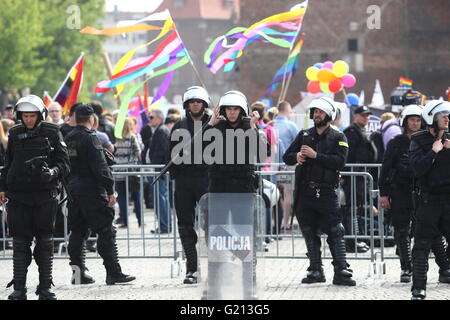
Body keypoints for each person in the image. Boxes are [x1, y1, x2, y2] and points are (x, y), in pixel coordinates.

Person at [0, 95, 70, 300]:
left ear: (40, 115)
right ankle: (19, 288)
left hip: (44, 195)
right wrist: (2, 188)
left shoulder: (53, 132)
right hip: (19, 196)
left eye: (32, 116)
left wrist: (53, 173)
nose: (28, 120)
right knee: (20, 244)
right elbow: (8, 163)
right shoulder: (14, 133)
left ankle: (45, 287)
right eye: (25, 116)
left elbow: (65, 163)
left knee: (45, 243)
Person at [283, 97, 355, 286]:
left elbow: (340, 162)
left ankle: (341, 269)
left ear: (329, 115)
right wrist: (296, 156)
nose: (316, 114)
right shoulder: (304, 135)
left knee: (334, 230)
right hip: (305, 192)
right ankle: (315, 270)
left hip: (327, 192)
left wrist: (317, 156)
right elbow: (286, 157)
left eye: (321, 112)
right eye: (315, 111)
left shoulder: (338, 137)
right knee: (308, 230)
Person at [64, 103, 135, 286]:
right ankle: (113, 273)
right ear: (91, 119)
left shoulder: (68, 137)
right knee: (106, 230)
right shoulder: (91, 138)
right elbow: (101, 168)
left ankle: (78, 274)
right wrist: (110, 190)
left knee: (78, 232)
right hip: (91, 191)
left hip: (74, 190)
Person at [379, 105, 450, 284]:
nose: (415, 123)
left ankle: (444, 267)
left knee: (432, 233)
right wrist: (384, 193)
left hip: (425, 192)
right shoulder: (397, 142)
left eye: (418, 120)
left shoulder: (441, 139)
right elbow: (386, 168)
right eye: (412, 120)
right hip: (401, 191)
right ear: (405, 121)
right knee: (402, 231)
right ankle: (406, 267)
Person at [205, 90, 266, 299]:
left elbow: (261, 152)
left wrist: (254, 128)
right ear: (223, 110)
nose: (232, 113)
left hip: (243, 190)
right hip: (219, 189)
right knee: (217, 238)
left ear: (242, 111)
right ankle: (213, 287)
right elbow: (198, 151)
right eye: (228, 109)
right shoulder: (215, 127)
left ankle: (249, 287)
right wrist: (210, 125)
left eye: (235, 109)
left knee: (244, 238)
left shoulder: (248, 127)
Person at [408, 100, 450, 300]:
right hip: (428, 202)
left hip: (448, 200)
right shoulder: (418, 141)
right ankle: (418, 288)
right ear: (431, 118)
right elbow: (417, 169)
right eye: (443, 115)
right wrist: (433, 151)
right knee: (422, 246)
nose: (447, 119)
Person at [169, 86, 211, 284]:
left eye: (199, 101)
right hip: (184, 181)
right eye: (192, 101)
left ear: (204, 104)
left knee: (212, 226)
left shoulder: (213, 125)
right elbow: (170, 155)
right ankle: (192, 269)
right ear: (187, 105)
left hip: (206, 180)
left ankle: (214, 267)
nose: (195, 104)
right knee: (185, 226)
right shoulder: (178, 127)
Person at [343, 105, 378, 253]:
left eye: (367, 115)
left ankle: (357, 238)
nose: (366, 118)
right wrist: (344, 175)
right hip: (353, 174)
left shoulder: (361, 131)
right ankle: (351, 241)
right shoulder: (351, 132)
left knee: (357, 208)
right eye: (363, 115)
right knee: (351, 209)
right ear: (355, 116)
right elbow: (346, 155)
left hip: (360, 175)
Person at [274, 101, 299, 231]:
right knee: (288, 194)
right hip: (288, 166)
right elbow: (299, 143)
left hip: (271, 167)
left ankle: (275, 223)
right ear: (288, 110)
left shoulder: (271, 125)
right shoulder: (291, 126)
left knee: (276, 194)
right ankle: (285, 223)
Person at [114, 117, 142, 228]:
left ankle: (125, 221)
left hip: (119, 170)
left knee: (122, 198)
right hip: (131, 171)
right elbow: (138, 152)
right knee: (136, 197)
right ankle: (140, 221)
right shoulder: (132, 138)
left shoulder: (117, 138)